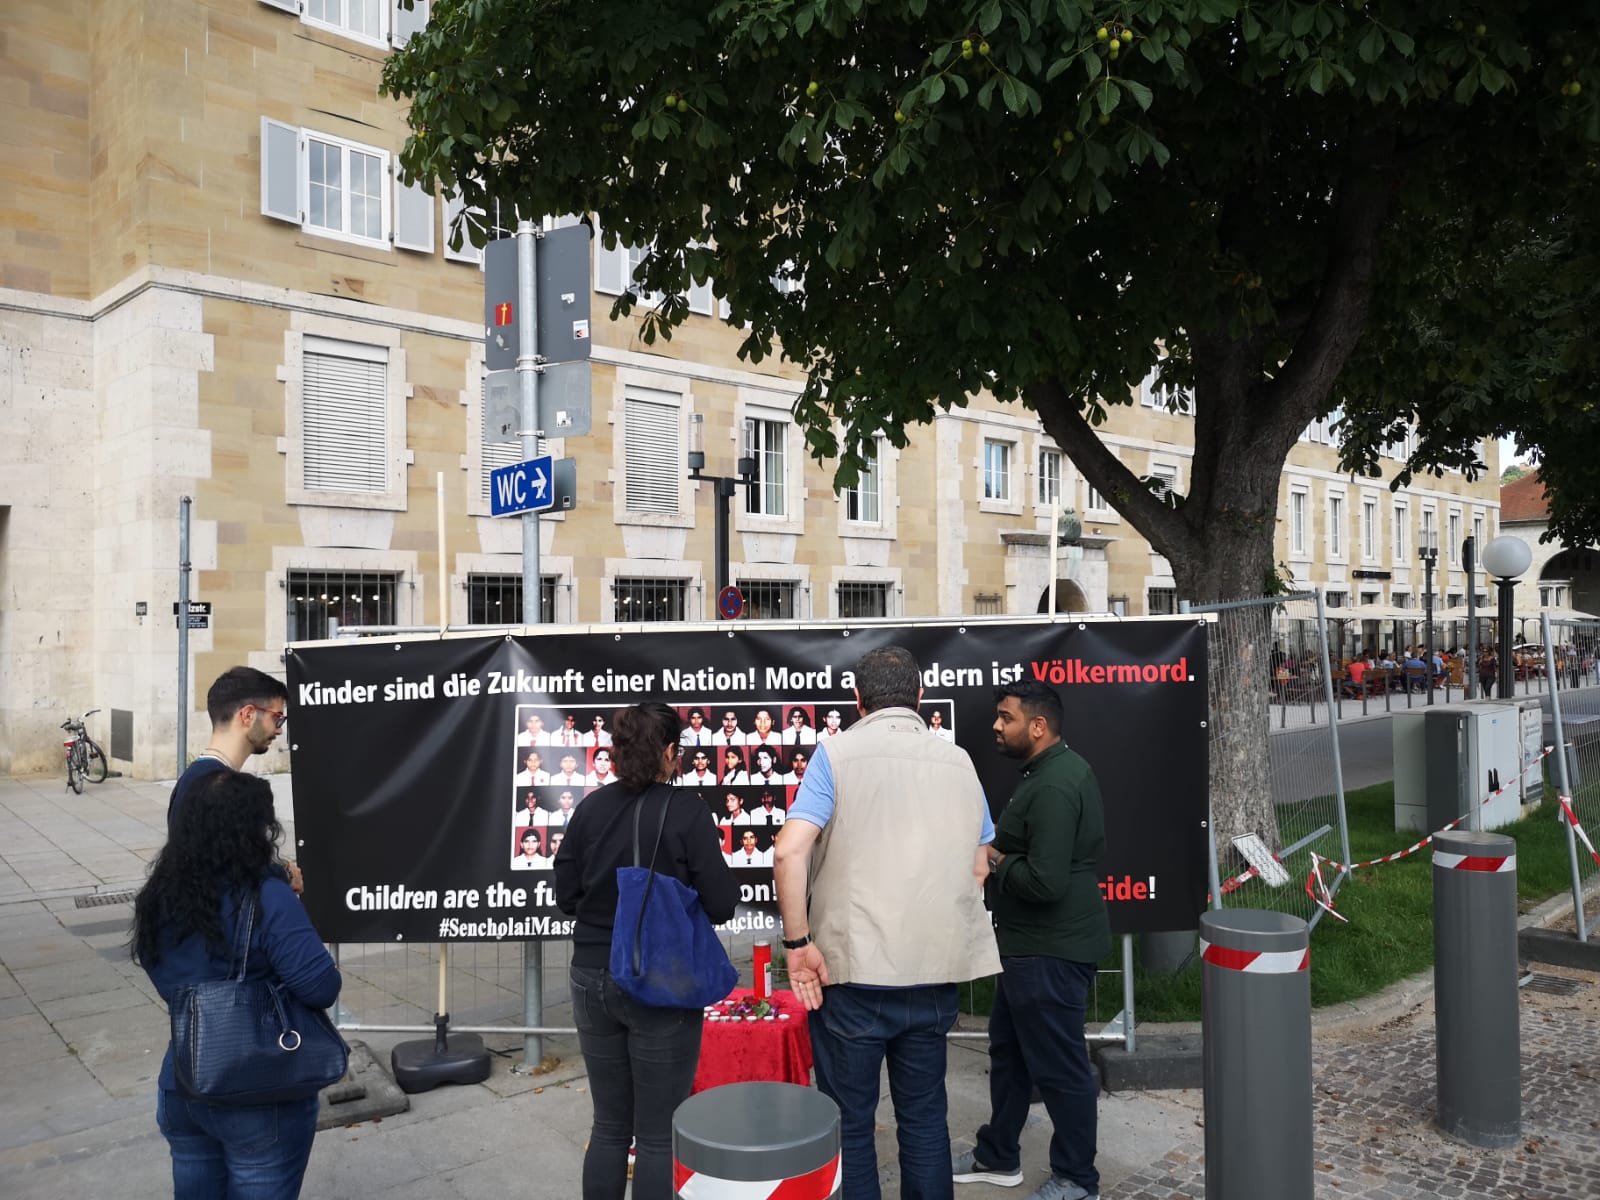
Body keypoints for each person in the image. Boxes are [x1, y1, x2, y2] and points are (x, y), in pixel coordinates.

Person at [774, 645, 1000, 1200]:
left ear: (858, 701)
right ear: (919, 698)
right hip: (933, 972)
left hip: (852, 974)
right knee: (924, 1119)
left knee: (850, 1123)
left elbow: (788, 851)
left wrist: (798, 944)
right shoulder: (960, 762)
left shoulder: (835, 755)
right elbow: (980, 862)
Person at [554, 703, 738, 1200]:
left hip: (591, 974)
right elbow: (722, 904)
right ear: (671, 752)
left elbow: (565, 895)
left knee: (609, 1126)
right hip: (662, 979)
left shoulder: (589, 809)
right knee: (657, 1135)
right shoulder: (687, 811)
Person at [133, 771, 340, 1199]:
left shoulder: (160, 897)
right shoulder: (267, 897)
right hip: (258, 1090)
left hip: (184, 1081)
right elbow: (321, 986)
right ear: (254, 829)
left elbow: (168, 979)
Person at [953, 680, 1112, 1200]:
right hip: (1027, 949)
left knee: (1062, 1068)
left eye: (1007, 718)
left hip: (1050, 952)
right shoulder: (1047, 773)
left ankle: (1077, 1179)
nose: (996, 726)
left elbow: (1045, 883)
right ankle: (998, 1154)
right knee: (1010, 1054)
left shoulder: (1053, 786)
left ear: (1038, 726)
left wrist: (993, 855)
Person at [168, 667, 301, 894]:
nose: (279, 731)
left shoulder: (193, 779)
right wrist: (284, 875)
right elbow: (231, 874)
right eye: (277, 718)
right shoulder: (220, 787)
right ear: (248, 715)